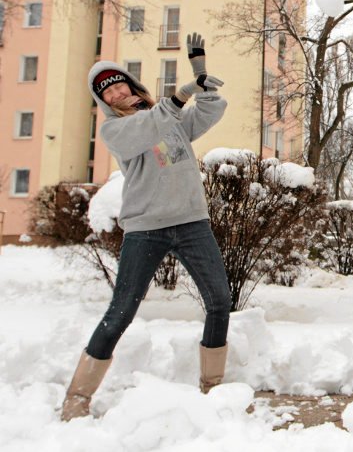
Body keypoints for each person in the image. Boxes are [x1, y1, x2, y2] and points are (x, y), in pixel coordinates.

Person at [61, 33, 233, 421]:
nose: (116, 92)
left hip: (191, 222)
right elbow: (149, 128)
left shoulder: (168, 118)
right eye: (106, 92)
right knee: (121, 311)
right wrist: (178, 95)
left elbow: (205, 114)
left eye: (119, 83)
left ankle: (213, 388)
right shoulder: (114, 131)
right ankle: (77, 395)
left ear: (131, 84)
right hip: (145, 229)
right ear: (103, 101)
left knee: (220, 301)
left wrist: (201, 77)